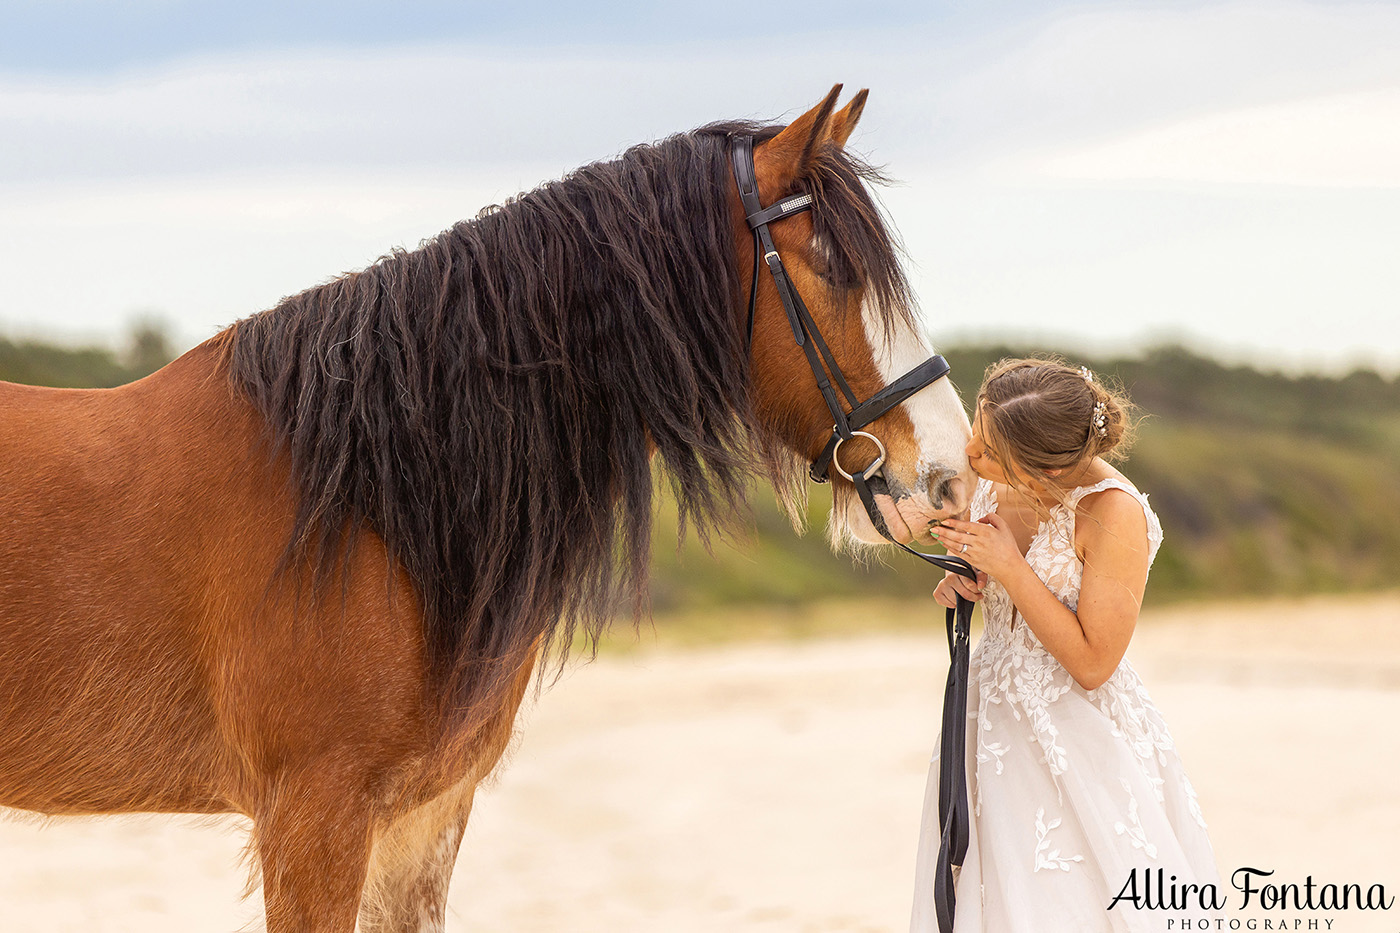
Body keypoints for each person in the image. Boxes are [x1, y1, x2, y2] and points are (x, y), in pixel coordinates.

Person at [909, 358, 1221, 933]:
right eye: (979, 427)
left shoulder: (1113, 513)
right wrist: (968, 579)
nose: (972, 452)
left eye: (992, 453)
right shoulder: (993, 474)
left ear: (1044, 469)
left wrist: (1010, 568)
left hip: (1077, 733)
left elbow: (1094, 663)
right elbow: (995, 581)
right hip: (989, 723)